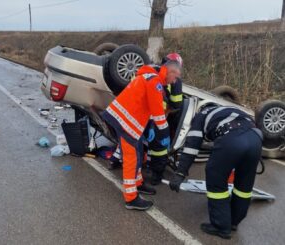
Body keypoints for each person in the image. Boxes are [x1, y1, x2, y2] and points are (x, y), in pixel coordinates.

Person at [169, 103, 263, 239]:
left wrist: (180, 173)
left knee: (216, 180)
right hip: (256, 140)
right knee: (244, 186)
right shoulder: (231, 109)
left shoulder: (201, 116)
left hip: (232, 138)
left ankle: (221, 226)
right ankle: (233, 222)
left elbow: (191, 147)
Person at [102, 60, 180, 211]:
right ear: (170, 72)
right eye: (175, 77)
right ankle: (131, 198)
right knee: (131, 158)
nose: (175, 81)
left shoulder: (149, 76)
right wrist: (164, 134)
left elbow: (148, 106)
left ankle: (138, 183)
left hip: (124, 119)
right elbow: (158, 113)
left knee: (138, 153)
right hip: (126, 123)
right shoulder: (155, 82)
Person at [147, 53, 184, 185]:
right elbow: (177, 103)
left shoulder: (151, 70)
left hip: (143, 113)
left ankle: (142, 166)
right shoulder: (175, 78)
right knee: (159, 147)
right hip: (159, 115)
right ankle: (156, 175)